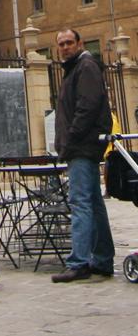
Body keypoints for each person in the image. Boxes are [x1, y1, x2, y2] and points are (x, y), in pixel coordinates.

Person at [52, 28, 115, 282]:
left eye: (69, 42)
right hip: (82, 145)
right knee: (93, 204)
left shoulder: (85, 66)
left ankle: (79, 262)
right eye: (61, 44)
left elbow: (87, 106)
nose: (65, 47)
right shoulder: (76, 67)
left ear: (79, 43)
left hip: (82, 145)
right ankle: (102, 259)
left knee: (80, 203)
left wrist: (70, 137)